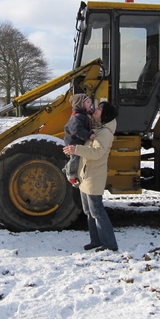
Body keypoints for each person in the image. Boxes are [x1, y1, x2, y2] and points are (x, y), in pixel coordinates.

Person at [63, 101, 119, 252]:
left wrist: (76, 149)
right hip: (86, 176)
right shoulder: (97, 128)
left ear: (105, 115)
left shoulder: (105, 133)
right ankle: (96, 240)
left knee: (97, 211)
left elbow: (97, 153)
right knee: (89, 212)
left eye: (100, 108)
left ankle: (110, 243)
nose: (96, 109)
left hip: (94, 177)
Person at [63, 93, 95, 186]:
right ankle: (71, 176)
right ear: (80, 104)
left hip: (78, 140)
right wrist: (88, 135)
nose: (91, 104)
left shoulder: (83, 115)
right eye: (88, 102)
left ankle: (67, 168)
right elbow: (77, 129)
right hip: (73, 141)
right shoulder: (77, 116)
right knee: (75, 158)